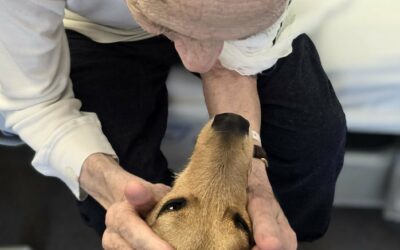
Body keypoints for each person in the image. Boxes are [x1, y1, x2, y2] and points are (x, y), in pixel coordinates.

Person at [0, 0, 346, 249]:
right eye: (165, 23)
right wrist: (107, 185)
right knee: (114, 176)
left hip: (235, 19)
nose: (199, 62)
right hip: (101, 32)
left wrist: (254, 171)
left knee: (315, 139)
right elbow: (37, 103)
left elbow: (228, 68)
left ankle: (292, 235)